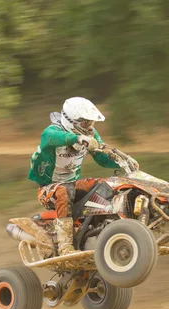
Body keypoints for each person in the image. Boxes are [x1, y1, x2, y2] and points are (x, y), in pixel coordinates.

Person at [27, 97, 138, 256]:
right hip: (48, 189)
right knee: (64, 191)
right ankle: (65, 246)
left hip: (74, 183)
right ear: (72, 121)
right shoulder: (52, 132)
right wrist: (77, 138)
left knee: (106, 185)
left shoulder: (90, 134)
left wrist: (122, 162)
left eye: (92, 123)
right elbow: (49, 138)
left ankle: (112, 227)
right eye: (86, 123)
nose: (90, 127)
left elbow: (101, 158)